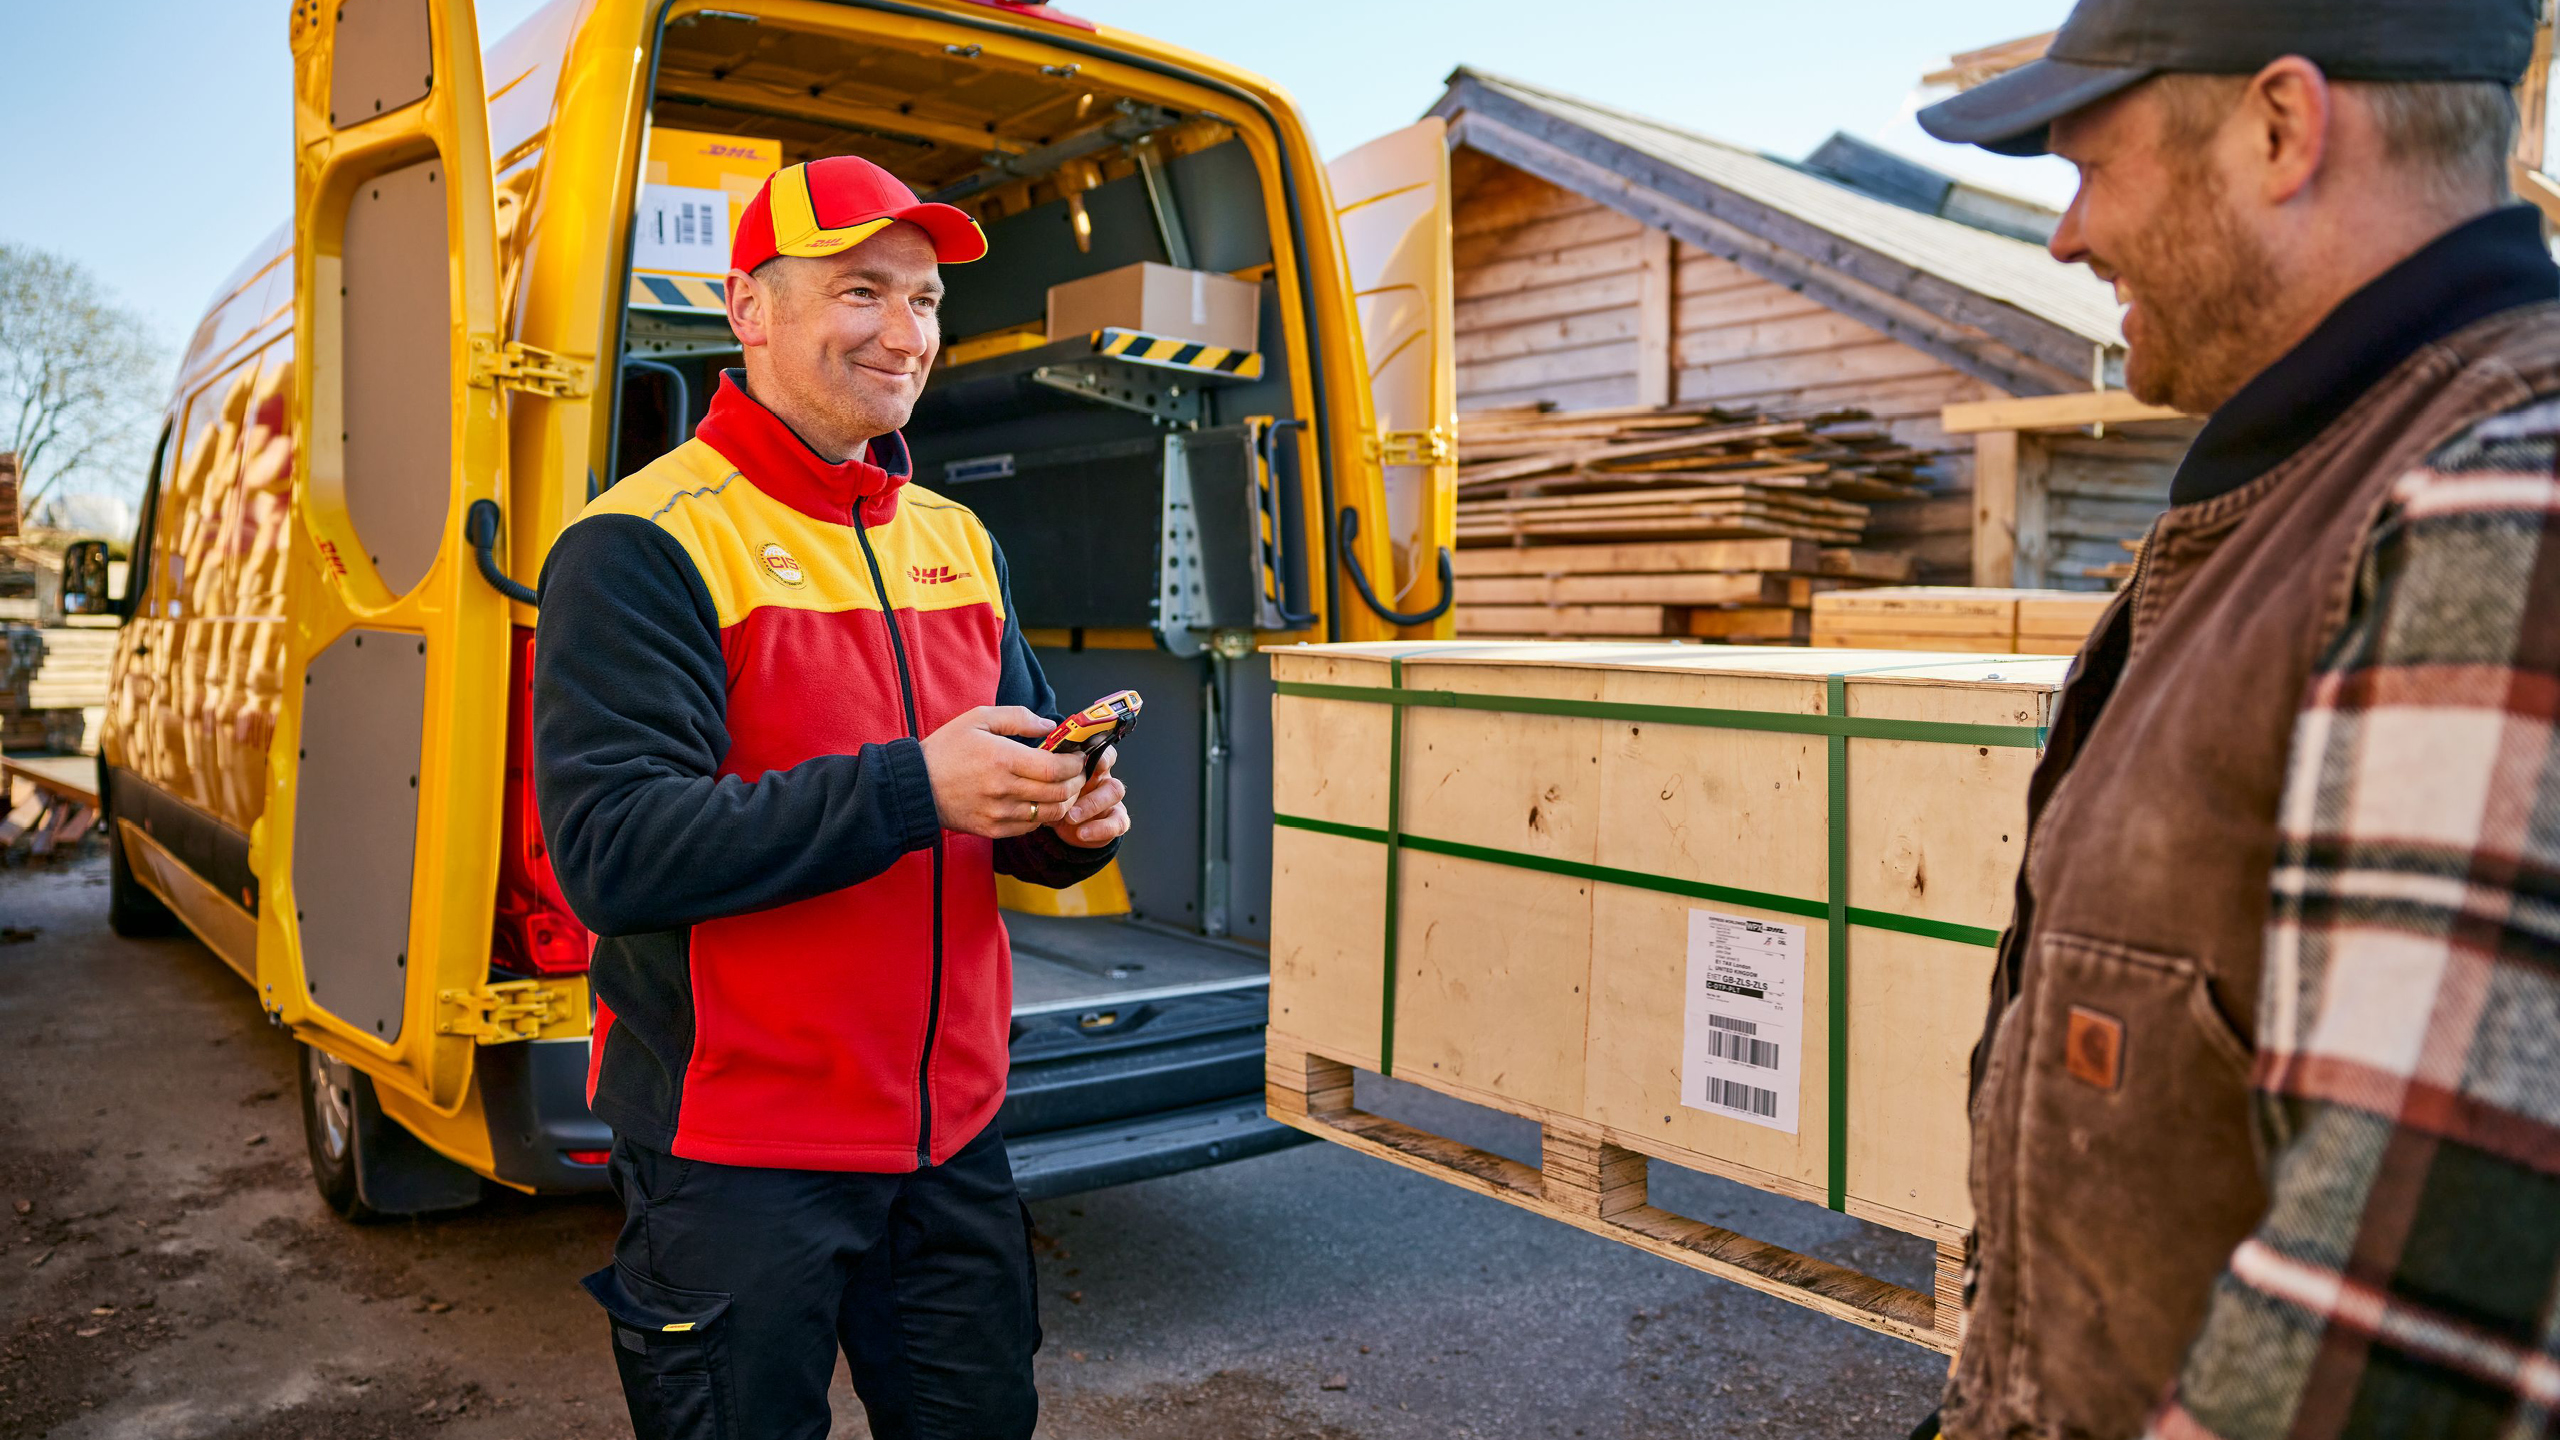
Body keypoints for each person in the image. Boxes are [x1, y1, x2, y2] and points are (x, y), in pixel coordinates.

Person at [1910, 2, 2560, 1437]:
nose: (2067, 240)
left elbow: (2390, 1314)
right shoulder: (2308, 488)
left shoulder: (2502, 509)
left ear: (2282, 128)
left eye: (2091, 168)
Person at [533, 154, 1129, 1440]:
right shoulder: (639, 544)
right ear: (748, 309)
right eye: (861, 289)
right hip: (739, 1152)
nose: (904, 331)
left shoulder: (955, 539)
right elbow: (615, 853)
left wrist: (1062, 824)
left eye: (922, 299)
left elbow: (993, 797)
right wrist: (921, 785)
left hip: (949, 1134)